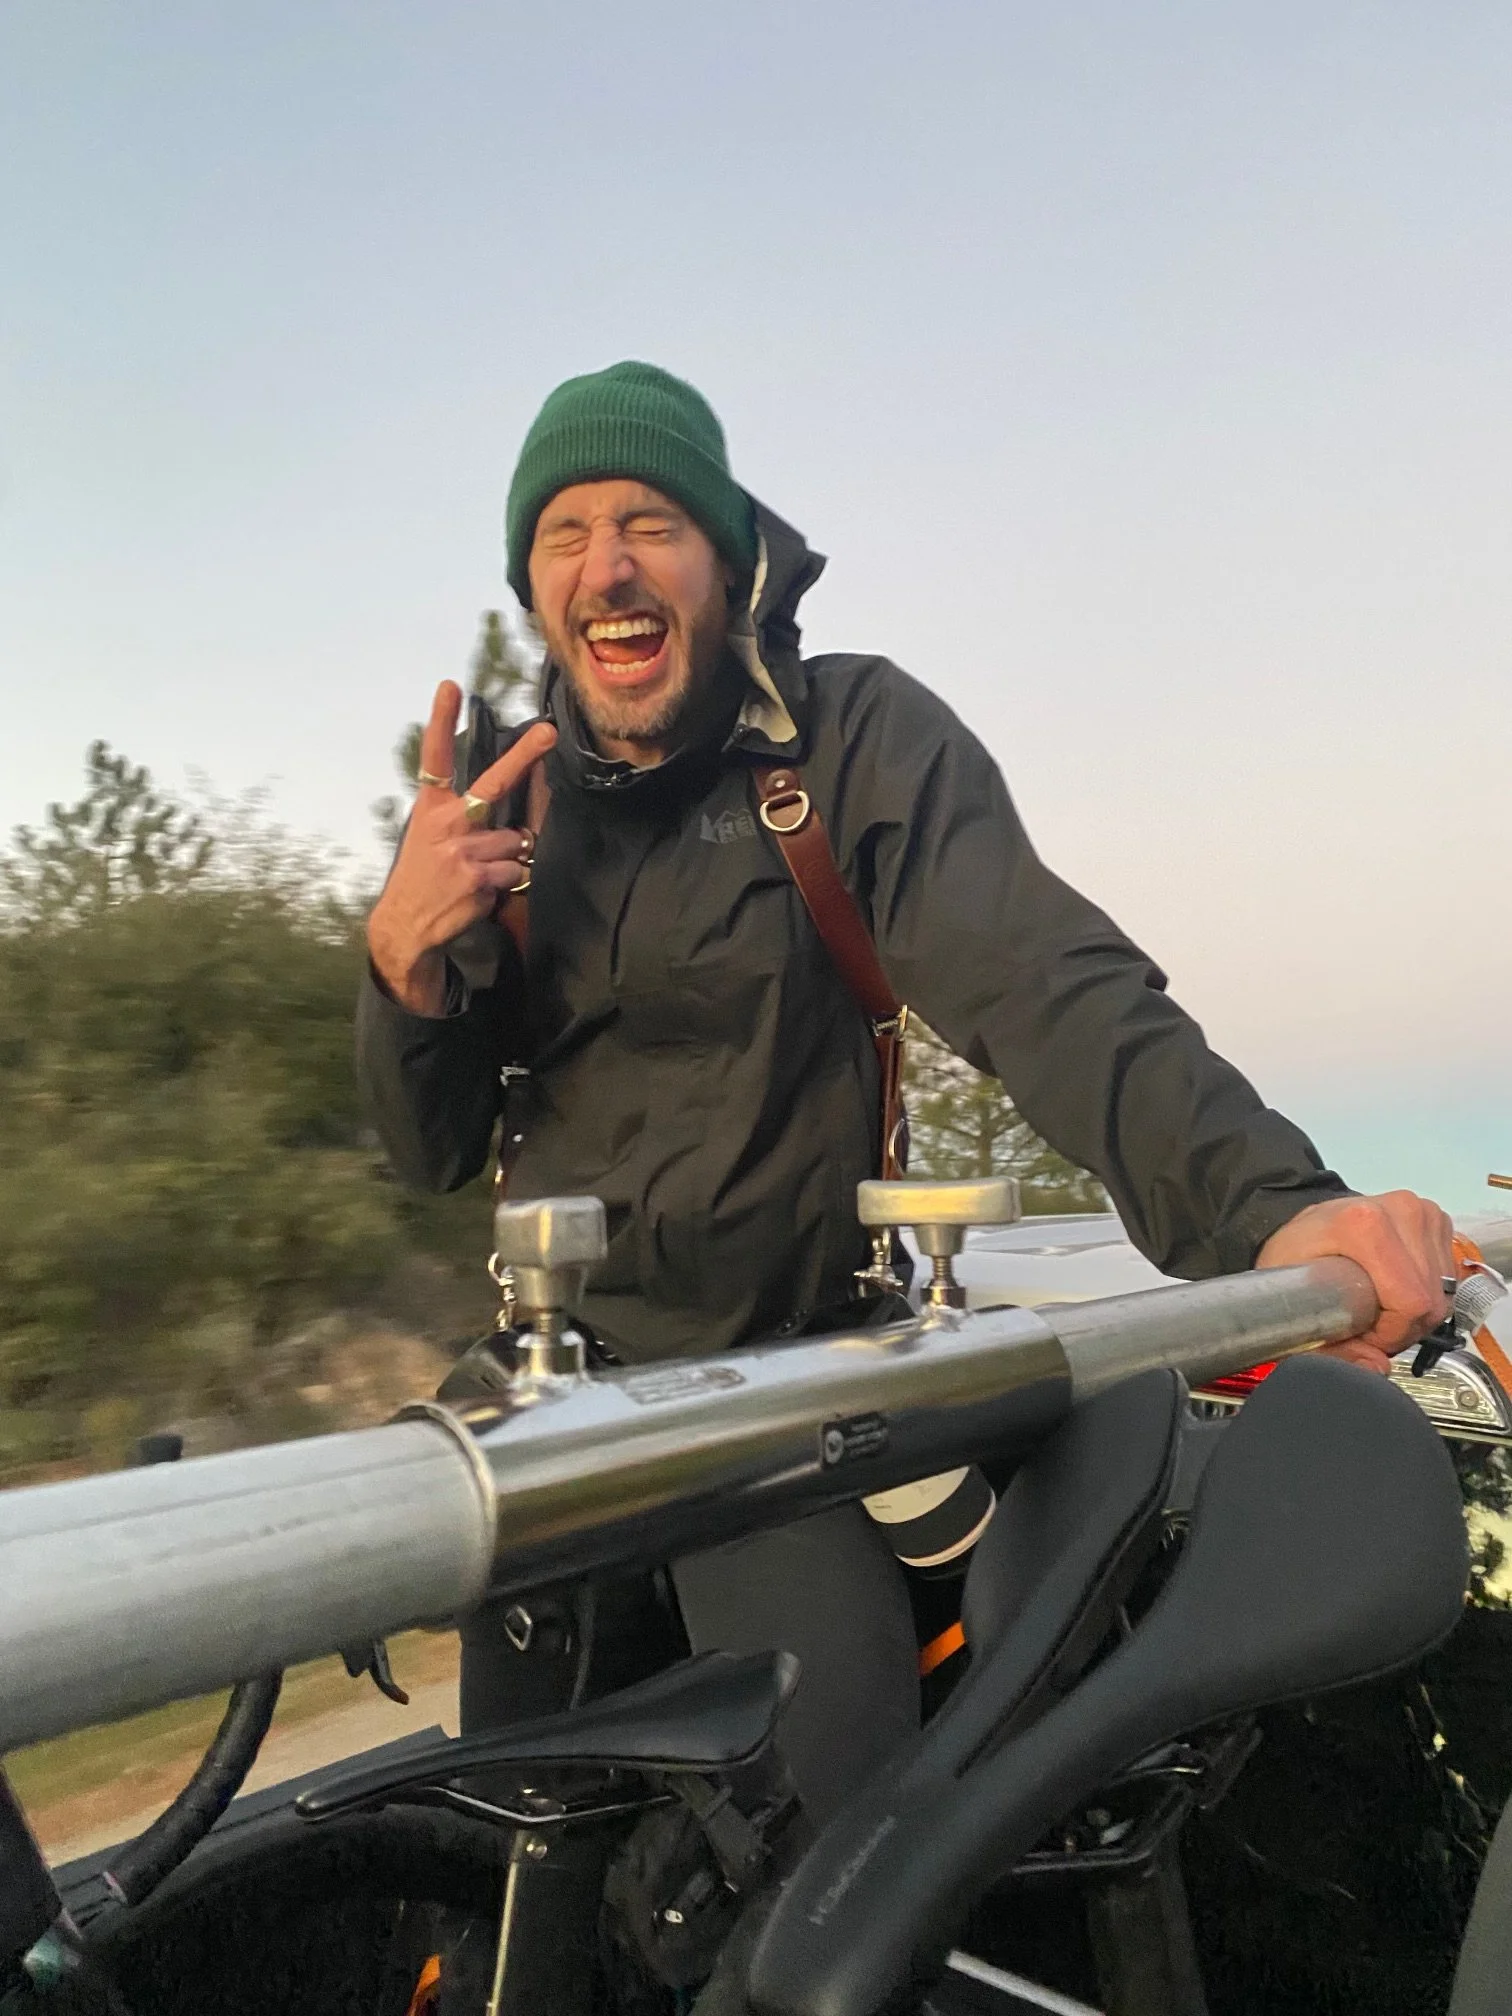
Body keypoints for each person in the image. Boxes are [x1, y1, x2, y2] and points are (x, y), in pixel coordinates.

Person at [357, 360, 1458, 1823]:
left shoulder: (849, 744)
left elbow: (1047, 987)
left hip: (788, 1404)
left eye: (650, 521)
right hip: (554, 1418)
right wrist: (399, 969)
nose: (609, 563)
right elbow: (430, 1149)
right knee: (525, 1880)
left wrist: (1275, 1208)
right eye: (565, 535)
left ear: (726, 556)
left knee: (840, 1861)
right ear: (535, 585)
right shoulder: (502, 802)